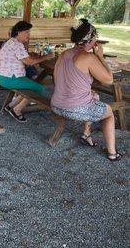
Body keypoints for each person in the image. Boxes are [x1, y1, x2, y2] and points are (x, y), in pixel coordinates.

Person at [51, 18, 120, 161]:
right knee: (109, 113)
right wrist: (100, 57)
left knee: (95, 97)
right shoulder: (87, 57)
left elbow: (57, 81)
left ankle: (86, 134)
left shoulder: (64, 54)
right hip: (74, 108)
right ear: (90, 40)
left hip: (56, 105)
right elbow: (108, 80)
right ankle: (112, 153)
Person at [0, 21, 54, 122]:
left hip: (3, 76)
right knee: (38, 88)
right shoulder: (17, 45)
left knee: (31, 85)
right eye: (27, 32)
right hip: (10, 79)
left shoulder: (12, 41)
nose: (29, 34)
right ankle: (17, 110)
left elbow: (23, 57)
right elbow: (30, 62)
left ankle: (10, 106)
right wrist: (47, 57)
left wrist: (30, 54)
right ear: (19, 32)